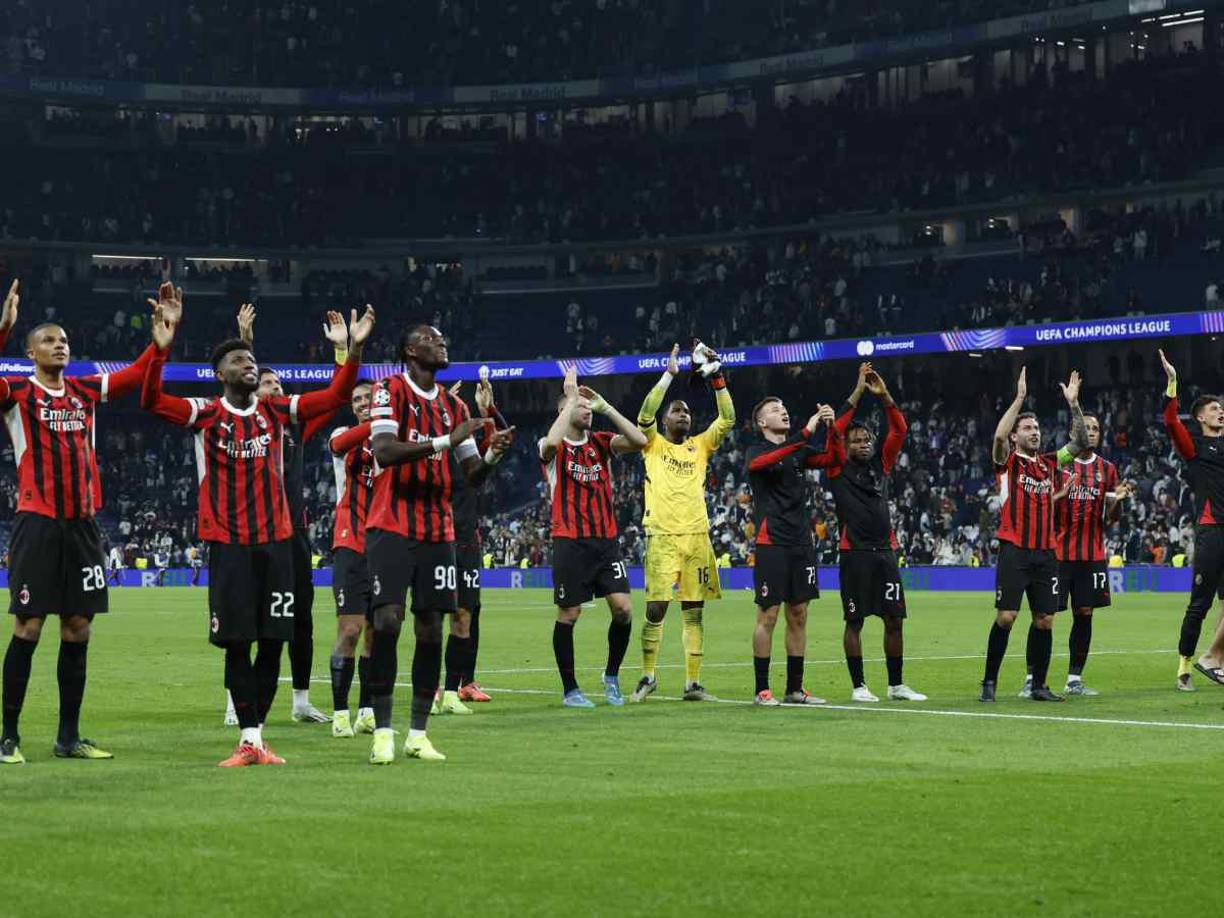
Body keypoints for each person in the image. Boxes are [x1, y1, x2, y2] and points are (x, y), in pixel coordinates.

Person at [141, 293, 373, 767]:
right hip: (229, 547)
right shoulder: (205, 414)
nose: (249, 365)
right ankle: (247, 735)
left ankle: (256, 736)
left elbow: (333, 397)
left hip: (276, 547)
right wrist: (159, 348)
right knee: (235, 643)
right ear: (220, 374)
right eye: (239, 360)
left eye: (251, 359)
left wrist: (351, 352)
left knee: (273, 642)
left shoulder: (276, 412)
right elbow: (150, 400)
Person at [0, 278, 158, 765]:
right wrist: (2, 328)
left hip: (83, 526)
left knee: (78, 628)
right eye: (48, 340)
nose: (59, 344)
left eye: (64, 339)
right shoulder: (18, 395)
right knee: (28, 626)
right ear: (30, 353)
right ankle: (8, 736)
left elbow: (134, 377)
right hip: (38, 522)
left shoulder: (86, 391)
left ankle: (68, 737)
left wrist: (160, 343)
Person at [364, 325, 513, 765]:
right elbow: (385, 452)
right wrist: (447, 440)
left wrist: (491, 454)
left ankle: (417, 733)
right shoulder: (388, 390)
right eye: (433, 339)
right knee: (388, 621)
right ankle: (383, 732)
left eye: (445, 339)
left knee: (431, 628)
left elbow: (470, 474)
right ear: (411, 350)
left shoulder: (454, 404)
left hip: (438, 530)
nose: (443, 343)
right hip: (391, 524)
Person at [242, 303, 350, 725]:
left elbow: (338, 394)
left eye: (277, 383)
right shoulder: (245, 420)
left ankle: (301, 700)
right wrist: (246, 344)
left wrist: (341, 353)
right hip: (253, 532)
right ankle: (238, 700)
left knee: (301, 617)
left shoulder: (295, 425)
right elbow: (241, 389)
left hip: (294, 532)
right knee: (249, 618)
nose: (273, 388)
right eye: (266, 382)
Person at [630, 342, 734, 703]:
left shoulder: (701, 445)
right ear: (665, 420)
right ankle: (647, 677)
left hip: (696, 536)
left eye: (687, 411)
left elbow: (728, 420)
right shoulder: (652, 443)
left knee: (693, 610)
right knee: (656, 608)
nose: (684, 415)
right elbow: (644, 414)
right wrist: (668, 377)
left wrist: (718, 379)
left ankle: (692, 683)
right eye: (677, 411)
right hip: (661, 536)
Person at [540, 366, 647, 708]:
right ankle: (570, 689)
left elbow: (640, 441)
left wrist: (607, 408)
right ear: (565, 411)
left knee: (624, 610)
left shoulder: (600, 444)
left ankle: (611, 676)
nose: (587, 410)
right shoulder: (553, 448)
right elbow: (551, 443)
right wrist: (571, 398)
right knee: (569, 614)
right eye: (581, 407)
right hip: (570, 541)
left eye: (589, 406)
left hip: (605, 542)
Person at [979, 368, 1088, 704]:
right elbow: (997, 439)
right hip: (1015, 551)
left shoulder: (1049, 464)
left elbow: (1081, 442)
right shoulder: (1007, 462)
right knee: (1007, 617)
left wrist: (1074, 405)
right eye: (1027, 428)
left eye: (1037, 428)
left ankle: (1038, 685)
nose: (1035, 432)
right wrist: (1019, 399)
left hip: (1046, 554)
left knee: (1045, 620)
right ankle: (989, 682)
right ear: (1016, 436)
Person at [830, 363, 926, 703]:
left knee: (894, 620)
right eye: (855, 440)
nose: (862, 443)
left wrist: (884, 396)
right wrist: (858, 390)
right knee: (855, 621)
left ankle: (896, 685)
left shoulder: (881, 465)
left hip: (885, 553)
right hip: (853, 553)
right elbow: (838, 425)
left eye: (866, 439)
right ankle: (859, 687)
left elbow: (899, 429)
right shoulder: (837, 466)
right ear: (845, 445)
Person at [744, 395, 843, 706]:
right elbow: (760, 464)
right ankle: (762, 689)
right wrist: (805, 433)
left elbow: (833, 460)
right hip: (771, 541)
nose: (783, 411)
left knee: (798, 615)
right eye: (775, 410)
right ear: (762, 423)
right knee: (768, 615)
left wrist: (833, 429)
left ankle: (795, 689)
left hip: (801, 542)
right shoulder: (757, 451)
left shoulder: (799, 451)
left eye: (784, 407)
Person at [1041, 413, 1130, 697]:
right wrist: (1059, 497)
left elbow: (1111, 518)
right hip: (1058, 553)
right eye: (1086, 427)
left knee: (1085, 613)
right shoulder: (1058, 466)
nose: (1091, 432)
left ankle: (1074, 679)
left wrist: (1116, 500)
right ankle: (1034, 678)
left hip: (1091, 555)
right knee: (1045, 615)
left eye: (1095, 428)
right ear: (1072, 432)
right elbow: (1041, 508)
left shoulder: (1107, 469)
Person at [435, 377, 510, 714]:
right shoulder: (433, 449)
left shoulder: (469, 454)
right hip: (435, 534)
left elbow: (501, 441)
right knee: (435, 612)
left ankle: (466, 682)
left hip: (467, 537)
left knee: (471, 610)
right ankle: (434, 682)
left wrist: (487, 410)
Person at [1158, 349, 1224, 691]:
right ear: (1199, 417)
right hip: (1212, 532)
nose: (1220, 412)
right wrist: (1172, 382)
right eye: (1214, 409)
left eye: (1222, 408)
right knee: (1199, 604)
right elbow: (1170, 421)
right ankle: (1184, 666)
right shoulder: (1195, 448)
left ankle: (1215, 659)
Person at [326, 381, 376, 737]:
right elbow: (337, 445)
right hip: (351, 542)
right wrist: (384, 418)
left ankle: (368, 710)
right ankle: (341, 712)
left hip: (388, 545)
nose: (361, 404)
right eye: (356, 400)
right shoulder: (346, 433)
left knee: (377, 633)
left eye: (368, 398)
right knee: (350, 630)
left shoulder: (395, 440)